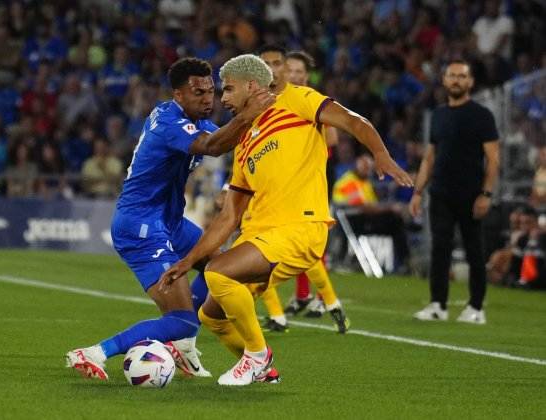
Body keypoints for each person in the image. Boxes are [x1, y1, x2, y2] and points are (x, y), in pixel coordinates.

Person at [160, 54, 412, 386]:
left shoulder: (296, 99)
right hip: (261, 237)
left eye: (229, 89)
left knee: (218, 273)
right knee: (211, 315)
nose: (223, 99)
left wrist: (380, 153)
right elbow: (229, 216)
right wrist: (188, 260)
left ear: (251, 86)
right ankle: (264, 372)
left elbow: (352, 121)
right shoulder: (245, 140)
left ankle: (257, 355)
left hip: (300, 227)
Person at [65, 57, 274, 380]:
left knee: (221, 269)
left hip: (171, 223)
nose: (208, 99)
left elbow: (231, 141)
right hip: (141, 227)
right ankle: (93, 353)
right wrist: (248, 114)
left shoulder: (198, 123)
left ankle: (184, 347)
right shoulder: (168, 122)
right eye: (198, 93)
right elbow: (212, 146)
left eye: (210, 91)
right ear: (178, 95)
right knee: (180, 319)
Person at [256, 46, 347, 333]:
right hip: (281, 182)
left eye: (297, 71)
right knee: (293, 247)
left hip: (311, 182)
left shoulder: (311, 101)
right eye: (289, 70)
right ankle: (307, 298)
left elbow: (332, 139)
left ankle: (322, 300)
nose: (292, 75)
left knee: (305, 245)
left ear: (306, 76)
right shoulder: (269, 101)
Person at [410, 59, 500, 324]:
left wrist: (486, 194)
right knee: (440, 249)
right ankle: (438, 304)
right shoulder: (438, 114)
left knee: (474, 251)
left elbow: (493, 159)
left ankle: (476, 307)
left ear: (471, 82)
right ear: (445, 80)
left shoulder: (482, 115)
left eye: (462, 76)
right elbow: (430, 157)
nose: (457, 80)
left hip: (471, 194)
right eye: (452, 76)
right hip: (440, 193)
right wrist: (417, 192)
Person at [332, 154, 411, 273]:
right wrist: (390, 208)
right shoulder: (349, 182)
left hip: (363, 220)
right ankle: (405, 261)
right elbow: (364, 208)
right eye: (365, 167)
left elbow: (372, 205)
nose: (367, 171)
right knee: (395, 220)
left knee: (396, 222)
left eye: (369, 168)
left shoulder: (364, 182)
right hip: (353, 221)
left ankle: (403, 262)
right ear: (357, 165)